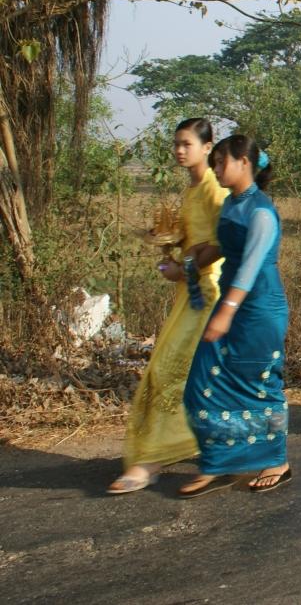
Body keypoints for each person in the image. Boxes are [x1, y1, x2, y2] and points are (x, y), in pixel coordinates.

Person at [107, 119, 228, 495]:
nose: (179, 150)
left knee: (169, 370)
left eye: (187, 144)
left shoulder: (213, 187)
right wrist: (168, 246)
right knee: (193, 373)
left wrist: (185, 268)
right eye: (176, 143)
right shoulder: (192, 188)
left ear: (208, 147)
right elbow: (193, 239)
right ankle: (207, 446)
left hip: (207, 292)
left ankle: (152, 460)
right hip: (189, 291)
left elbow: (223, 241)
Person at [179, 135, 290, 498]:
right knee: (202, 384)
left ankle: (276, 460)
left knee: (259, 384)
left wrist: (226, 313)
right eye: (214, 163)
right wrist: (187, 263)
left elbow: (251, 266)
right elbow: (221, 249)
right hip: (231, 303)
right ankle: (220, 461)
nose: (216, 169)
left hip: (258, 308)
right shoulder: (231, 203)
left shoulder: (261, 211)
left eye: (221, 162)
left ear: (244, 162)